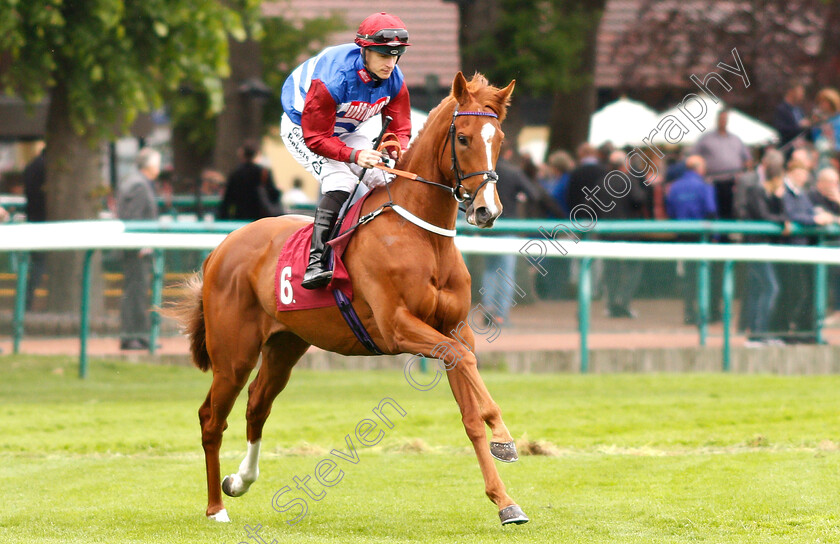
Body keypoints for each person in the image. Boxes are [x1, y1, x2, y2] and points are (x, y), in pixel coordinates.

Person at [280, 12, 412, 289]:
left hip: (349, 129)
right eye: (383, 55)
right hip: (304, 129)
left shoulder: (395, 78)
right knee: (342, 181)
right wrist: (354, 156)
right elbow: (316, 138)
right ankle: (315, 262)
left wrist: (396, 150)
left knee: (384, 178)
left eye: (396, 55)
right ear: (364, 50)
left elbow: (400, 130)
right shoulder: (332, 80)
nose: (391, 63)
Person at [691, 109, 751, 321]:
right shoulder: (706, 139)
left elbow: (747, 161)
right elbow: (691, 157)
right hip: (714, 185)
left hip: (730, 186)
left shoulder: (736, 140)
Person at [741, 149, 788, 347]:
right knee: (770, 287)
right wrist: (783, 220)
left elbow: (780, 213)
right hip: (755, 246)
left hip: (766, 246)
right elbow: (763, 216)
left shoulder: (769, 191)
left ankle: (758, 333)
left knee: (761, 288)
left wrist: (778, 197)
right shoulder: (755, 189)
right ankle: (758, 334)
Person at [116, 148, 161, 351]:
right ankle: (132, 336)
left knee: (139, 291)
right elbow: (133, 218)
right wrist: (140, 244)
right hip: (137, 249)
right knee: (135, 291)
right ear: (150, 166)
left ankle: (140, 336)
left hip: (138, 248)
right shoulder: (139, 185)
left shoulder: (136, 182)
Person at [665, 155, 717, 324]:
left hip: (683, 235)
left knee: (688, 277)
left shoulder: (675, 187)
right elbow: (711, 210)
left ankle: (689, 313)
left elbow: (670, 210)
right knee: (704, 274)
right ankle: (704, 314)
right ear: (700, 169)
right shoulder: (704, 186)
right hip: (702, 237)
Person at [218, 140, 283, 220]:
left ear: (242, 154)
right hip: (260, 217)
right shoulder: (263, 172)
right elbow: (273, 194)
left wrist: (223, 216)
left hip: (240, 216)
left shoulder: (236, 174)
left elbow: (228, 198)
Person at [23, 145, 46, 311]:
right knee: (39, 263)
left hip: (33, 219)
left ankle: (27, 301)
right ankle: (27, 301)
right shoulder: (46, 168)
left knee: (35, 263)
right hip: (45, 222)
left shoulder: (30, 167)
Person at [773, 81, 809, 155]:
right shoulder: (781, 109)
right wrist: (799, 126)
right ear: (791, 92)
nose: (802, 94)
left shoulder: (799, 110)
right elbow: (781, 129)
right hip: (788, 151)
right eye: (800, 91)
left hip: (800, 150)